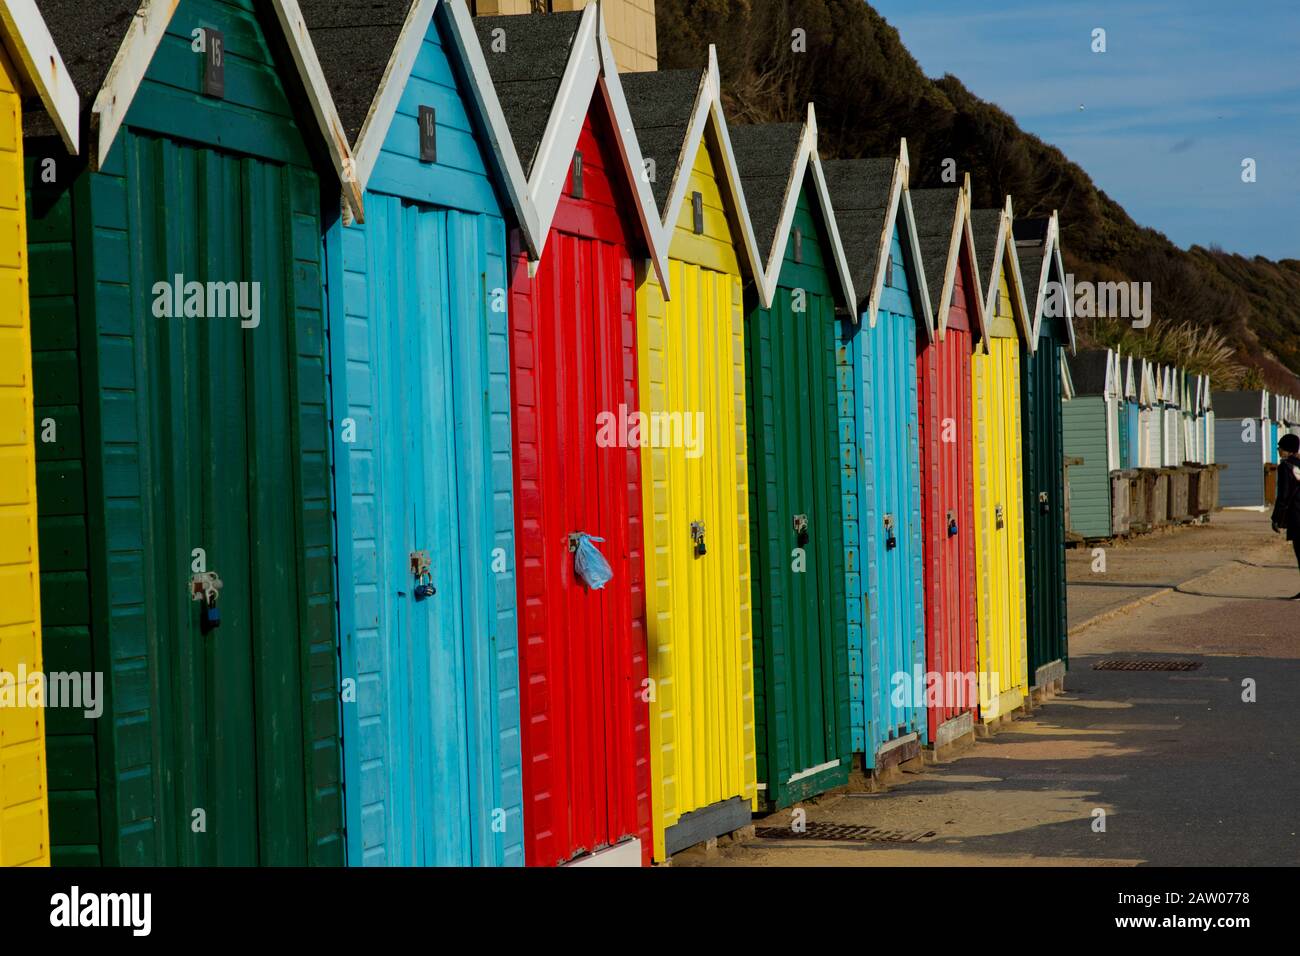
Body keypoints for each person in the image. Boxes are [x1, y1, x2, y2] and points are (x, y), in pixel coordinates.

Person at [1271, 432, 1300, 598]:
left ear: (1287, 449)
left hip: (1296, 515)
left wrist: (1276, 518)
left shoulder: (1285, 467)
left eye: (1280, 447)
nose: (1278, 450)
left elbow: (1283, 495)